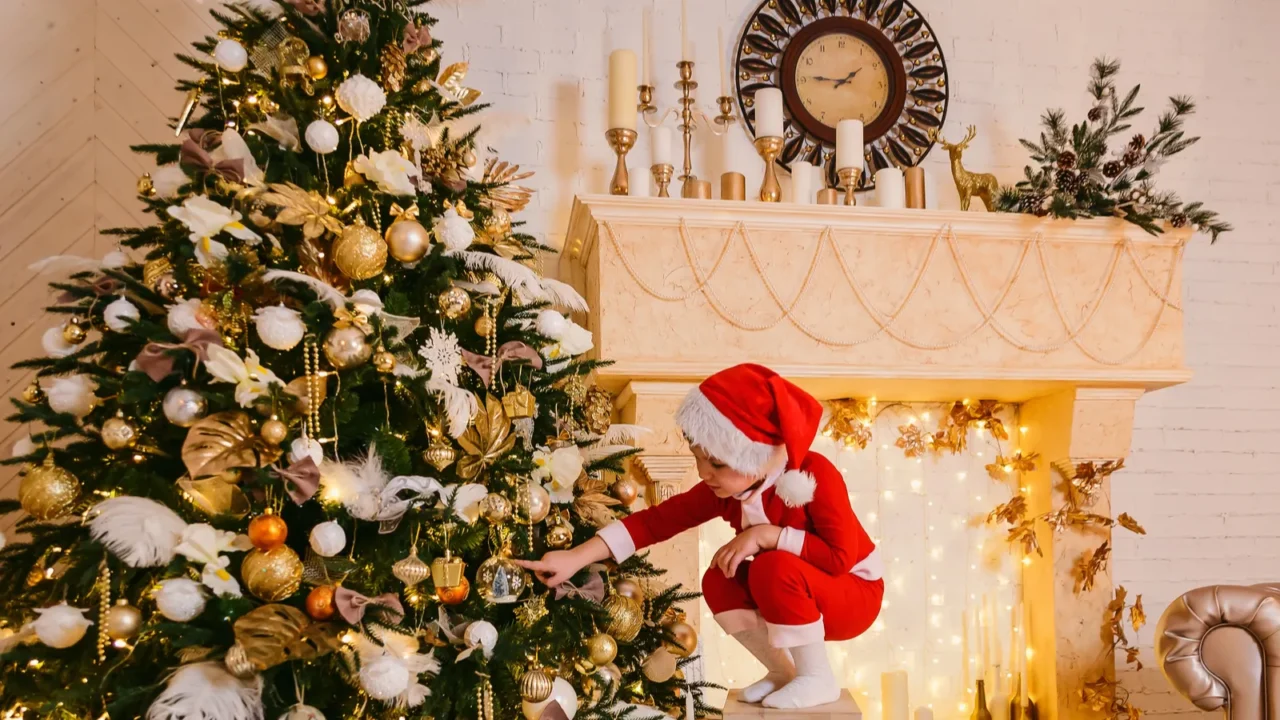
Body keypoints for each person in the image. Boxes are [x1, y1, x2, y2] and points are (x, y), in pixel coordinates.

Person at [515, 364, 884, 709]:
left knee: (771, 568)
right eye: (698, 458)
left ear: (753, 454)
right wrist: (576, 557)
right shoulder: (723, 492)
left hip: (853, 592)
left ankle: (817, 676)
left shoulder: (815, 474)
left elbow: (839, 558)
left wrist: (765, 535)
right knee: (718, 579)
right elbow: (653, 522)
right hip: (802, 593)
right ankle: (783, 670)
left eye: (717, 464)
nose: (703, 473)